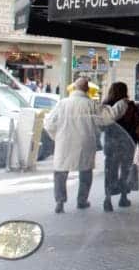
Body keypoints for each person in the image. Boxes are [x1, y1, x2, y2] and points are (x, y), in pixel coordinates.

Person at [43, 77, 128, 213]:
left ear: (74, 88)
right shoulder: (91, 104)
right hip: (85, 143)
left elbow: (48, 124)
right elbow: (108, 117)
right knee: (85, 172)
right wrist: (122, 104)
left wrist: (57, 137)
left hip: (64, 143)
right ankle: (81, 201)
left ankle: (60, 202)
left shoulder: (62, 104)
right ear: (87, 89)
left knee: (60, 172)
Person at [102, 82, 139, 212]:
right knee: (125, 170)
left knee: (110, 170)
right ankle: (123, 197)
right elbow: (138, 126)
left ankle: (108, 199)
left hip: (111, 143)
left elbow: (102, 125)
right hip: (127, 143)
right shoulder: (131, 106)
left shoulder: (106, 106)